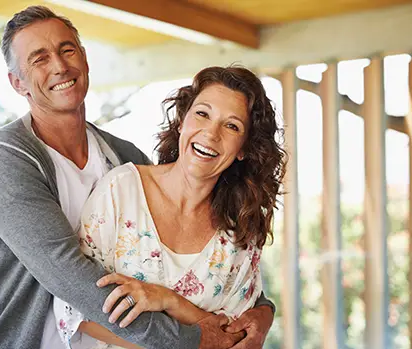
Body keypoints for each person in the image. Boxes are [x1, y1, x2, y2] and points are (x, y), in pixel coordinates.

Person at [0, 5, 277, 349]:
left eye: (67, 49)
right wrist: (191, 338)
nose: (59, 65)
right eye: (39, 58)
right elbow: (68, 274)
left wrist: (262, 313)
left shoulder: (123, 158)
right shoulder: (3, 157)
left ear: (84, 59)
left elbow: (202, 271)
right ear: (17, 83)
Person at [52, 66, 287, 349]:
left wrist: (168, 300)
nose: (211, 134)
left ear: (243, 149)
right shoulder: (120, 193)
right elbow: (74, 310)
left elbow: (235, 338)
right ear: (182, 121)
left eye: (231, 126)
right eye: (202, 113)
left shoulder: (239, 231)